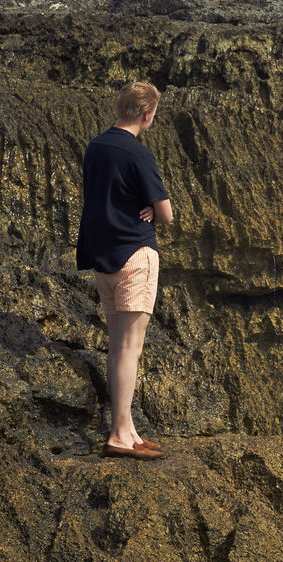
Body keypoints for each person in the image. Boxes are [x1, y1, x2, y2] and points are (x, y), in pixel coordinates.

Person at [76, 81, 173, 460]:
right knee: (129, 349)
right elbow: (165, 214)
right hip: (135, 254)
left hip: (103, 259)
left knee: (118, 347)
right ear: (147, 115)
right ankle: (119, 433)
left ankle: (128, 430)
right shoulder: (138, 153)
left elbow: (104, 197)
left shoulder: (96, 147)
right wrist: (151, 207)